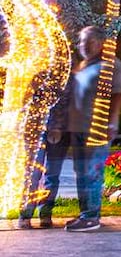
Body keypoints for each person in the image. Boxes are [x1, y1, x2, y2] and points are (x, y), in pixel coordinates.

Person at [66, 26, 121, 232]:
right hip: (77, 128)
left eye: (89, 41)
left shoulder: (111, 65)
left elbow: (118, 95)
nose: (84, 45)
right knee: (80, 172)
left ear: (100, 43)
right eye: (82, 41)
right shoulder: (82, 66)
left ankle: (91, 217)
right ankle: (85, 214)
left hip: (97, 127)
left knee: (92, 172)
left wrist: (113, 121)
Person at [16, 52, 78, 230]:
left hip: (59, 133)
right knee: (33, 174)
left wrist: (57, 127)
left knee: (52, 175)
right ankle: (26, 214)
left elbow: (68, 105)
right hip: (37, 131)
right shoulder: (40, 77)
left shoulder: (71, 80)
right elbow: (29, 103)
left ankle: (45, 214)